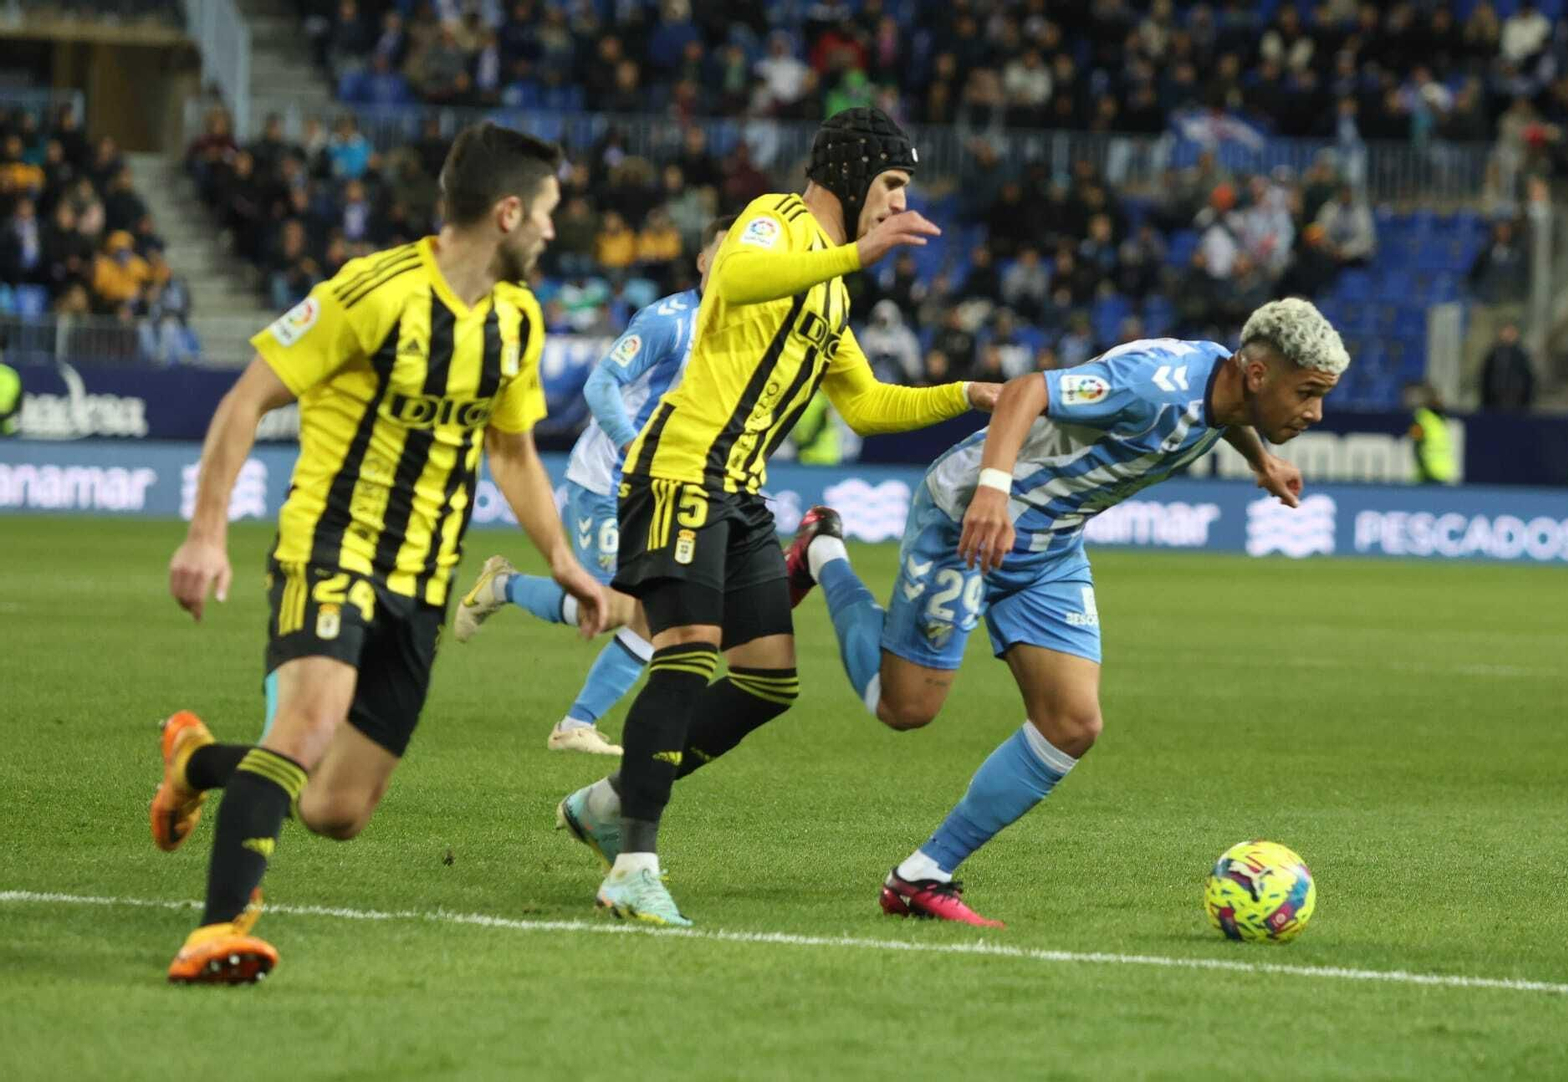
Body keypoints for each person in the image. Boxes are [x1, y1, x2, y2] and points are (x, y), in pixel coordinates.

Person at [152, 122, 610, 984]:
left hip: (424, 581)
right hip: (332, 545)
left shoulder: (517, 320)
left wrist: (562, 559)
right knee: (308, 722)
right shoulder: (373, 293)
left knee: (335, 809)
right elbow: (245, 401)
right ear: (508, 212)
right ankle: (215, 932)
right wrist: (206, 531)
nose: (554, 230)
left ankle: (196, 764)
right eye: (547, 212)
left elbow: (511, 453)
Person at [554, 107, 1002, 927]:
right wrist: (856, 253)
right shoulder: (776, 221)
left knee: (767, 681)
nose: (898, 202)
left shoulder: (828, 288)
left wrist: (970, 395)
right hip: (682, 465)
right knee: (685, 654)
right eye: (892, 183)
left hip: (742, 491)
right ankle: (633, 865)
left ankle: (608, 802)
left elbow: (865, 404)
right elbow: (732, 280)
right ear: (855, 170)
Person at [792, 301, 1343, 925]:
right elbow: (1026, 391)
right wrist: (994, 494)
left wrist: (1261, 460)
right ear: (1259, 375)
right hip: (968, 521)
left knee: (1072, 722)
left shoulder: (1229, 390)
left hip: (1049, 546)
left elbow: (1224, 414)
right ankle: (822, 552)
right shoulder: (1150, 383)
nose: (1315, 412)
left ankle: (923, 875)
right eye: (1307, 393)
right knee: (905, 707)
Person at [453, 215, 739, 754]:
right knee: (619, 605)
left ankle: (574, 721)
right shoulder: (669, 322)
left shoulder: (743, 332)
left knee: (648, 615)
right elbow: (601, 383)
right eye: (722, 252)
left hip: (667, 493)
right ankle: (504, 590)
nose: (732, 263)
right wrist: (634, 445)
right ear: (702, 262)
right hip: (607, 481)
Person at [1405, 381, 1459, 484]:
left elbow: (1416, 435)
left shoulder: (1435, 418)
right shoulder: (1425, 417)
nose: (1441, 401)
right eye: (1438, 398)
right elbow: (1416, 435)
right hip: (1429, 472)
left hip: (1438, 472)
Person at [1479, 322, 1535, 411]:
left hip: (1517, 403)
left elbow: (1528, 379)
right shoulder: (1494, 354)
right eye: (1506, 331)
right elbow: (1486, 377)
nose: (1508, 335)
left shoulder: (1521, 355)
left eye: (1511, 332)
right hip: (1495, 403)